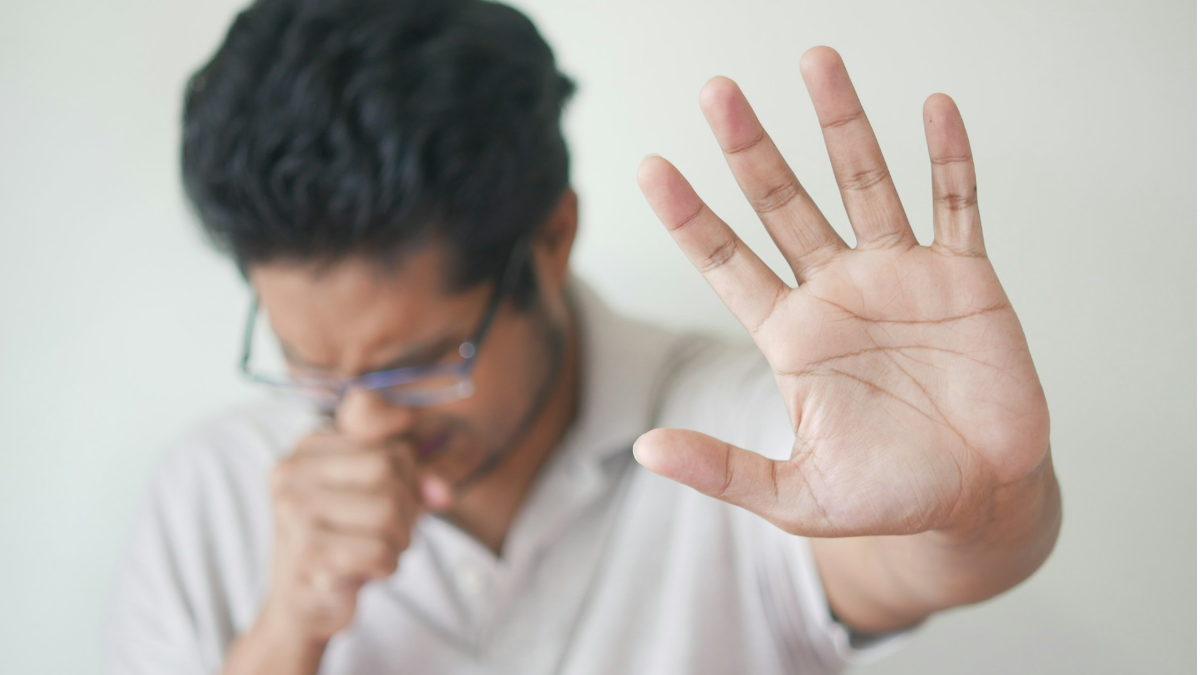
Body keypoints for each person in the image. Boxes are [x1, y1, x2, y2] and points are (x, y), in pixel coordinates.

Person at [103, 0, 1063, 673]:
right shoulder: (209, 492)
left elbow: (912, 558)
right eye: (309, 368)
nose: (362, 422)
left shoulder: (741, 424)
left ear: (552, 240)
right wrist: (287, 633)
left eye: (421, 365)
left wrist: (982, 504)